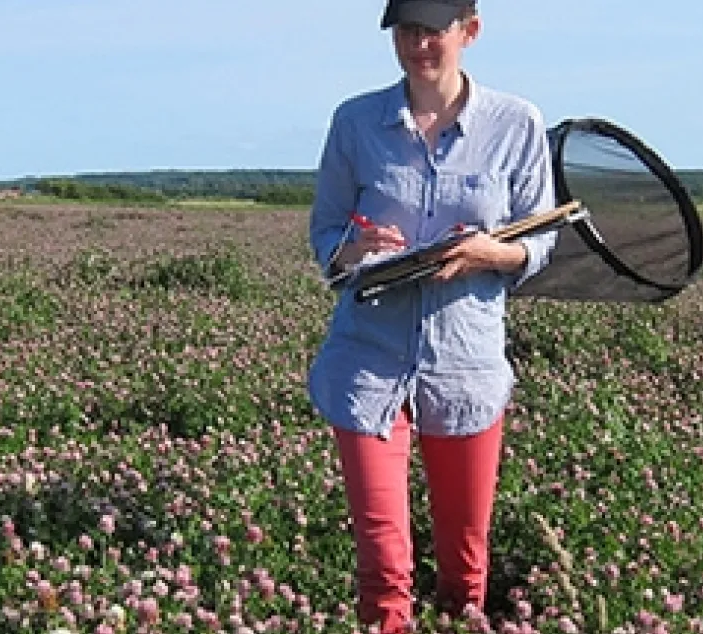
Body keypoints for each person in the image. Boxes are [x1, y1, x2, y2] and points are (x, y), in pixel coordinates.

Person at [303, 0, 558, 631]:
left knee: (465, 565)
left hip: (465, 361)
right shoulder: (355, 121)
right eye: (406, 30)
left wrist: (489, 253)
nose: (418, 44)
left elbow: (543, 238)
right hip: (369, 359)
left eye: (433, 30)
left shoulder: (516, 122)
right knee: (384, 564)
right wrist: (353, 250)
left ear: (469, 32)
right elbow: (326, 234)